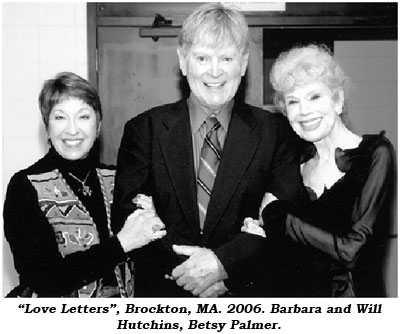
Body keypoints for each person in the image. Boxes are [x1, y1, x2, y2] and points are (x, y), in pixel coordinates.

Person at [111, 3, 304, 297]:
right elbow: (127, 218)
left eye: (226, 58)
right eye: (202, 57)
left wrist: (223, 265)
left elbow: (287, 223)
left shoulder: (276, 133)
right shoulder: (144, 130)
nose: (215, 71)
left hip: (247, 301)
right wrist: (193, 274)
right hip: (165, 302)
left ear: (243, 63)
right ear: (183, 61)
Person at [244, 44, 396, 297]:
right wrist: (262, 235)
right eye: (293, 101)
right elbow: (298, 257)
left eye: (315, 96)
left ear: (338, 100)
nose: (304, 111)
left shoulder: (375, 153)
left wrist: (276, 217)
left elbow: (351, 251)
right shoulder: (295, 166)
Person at [3, 72, 166, 297]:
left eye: (83, 117)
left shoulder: (119, 178)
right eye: (60, 118)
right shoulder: (26, 186)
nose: (72, 130)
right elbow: (43, 279)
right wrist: (121, 244)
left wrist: (154, 224)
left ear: (98, 126)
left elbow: (149, 263)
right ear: (47, 126)